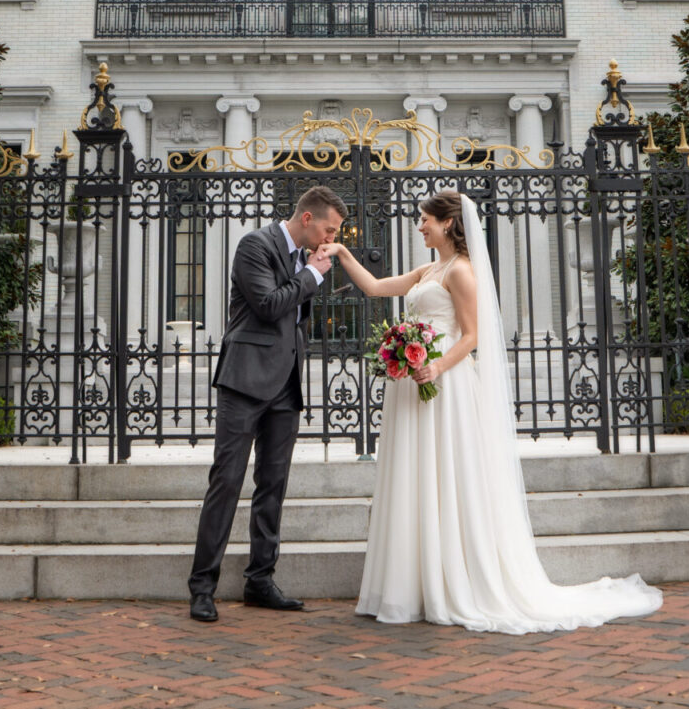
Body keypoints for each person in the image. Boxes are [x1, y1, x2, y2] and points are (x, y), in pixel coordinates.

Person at [325, 189, 664, 634]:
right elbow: (375, 288)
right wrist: (343, 252)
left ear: (447, 223)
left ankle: (453, 581)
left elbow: (473, 336)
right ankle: (415, 584)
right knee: (417, 476)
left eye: (425, 219)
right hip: (416, 381)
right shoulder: (431, 267)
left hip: (445, 382)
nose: (420, 226)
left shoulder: (462, 271)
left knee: (446, 474)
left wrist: (436, 367)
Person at [186, 184, 348, 623]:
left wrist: (310, 273)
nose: (332, 240)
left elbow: (294, 317)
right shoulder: (255, 245)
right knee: (226, 482)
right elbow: (268, 305)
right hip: (244, 381)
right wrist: (311, 276)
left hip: (285, 385)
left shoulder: (307, 257)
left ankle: (260, 580)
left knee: (272, 485)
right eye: (330, 230)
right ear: (308, 219)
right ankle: (202, 587)